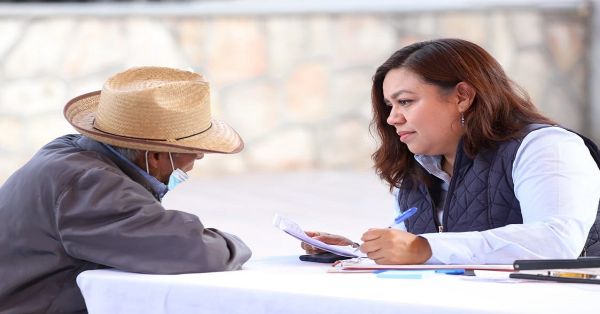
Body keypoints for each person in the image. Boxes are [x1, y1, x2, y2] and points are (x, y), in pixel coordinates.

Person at [302, 38, 600, 265]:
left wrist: (423, 248)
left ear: (462, 96)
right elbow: (437, 255)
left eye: (405, 101)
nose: (392, 118)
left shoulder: (547, 147)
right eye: (389, 106)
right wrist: (360, 251)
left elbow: (557, 241)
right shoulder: (419, 166)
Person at [0, 66, 252, 313]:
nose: (198, 158)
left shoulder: (69, 151)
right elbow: (192, 250)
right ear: (154, 156)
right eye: (195, 152)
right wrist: (235, 244)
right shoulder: (91, 184)